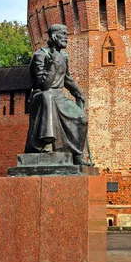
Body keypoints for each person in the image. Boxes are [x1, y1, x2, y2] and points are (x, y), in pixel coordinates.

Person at [25, 24, 91, 165]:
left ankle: (77, 155)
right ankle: (46, 143)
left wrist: (77, 93)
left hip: (59, 96)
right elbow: (44, 85)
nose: (66, 38)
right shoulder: (40, 55)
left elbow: (67, 78)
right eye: (63, 35)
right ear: (54, 37)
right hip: (41, 97)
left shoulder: (64, 56)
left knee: (81, 118)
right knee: (47, 96)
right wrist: (54, 61)